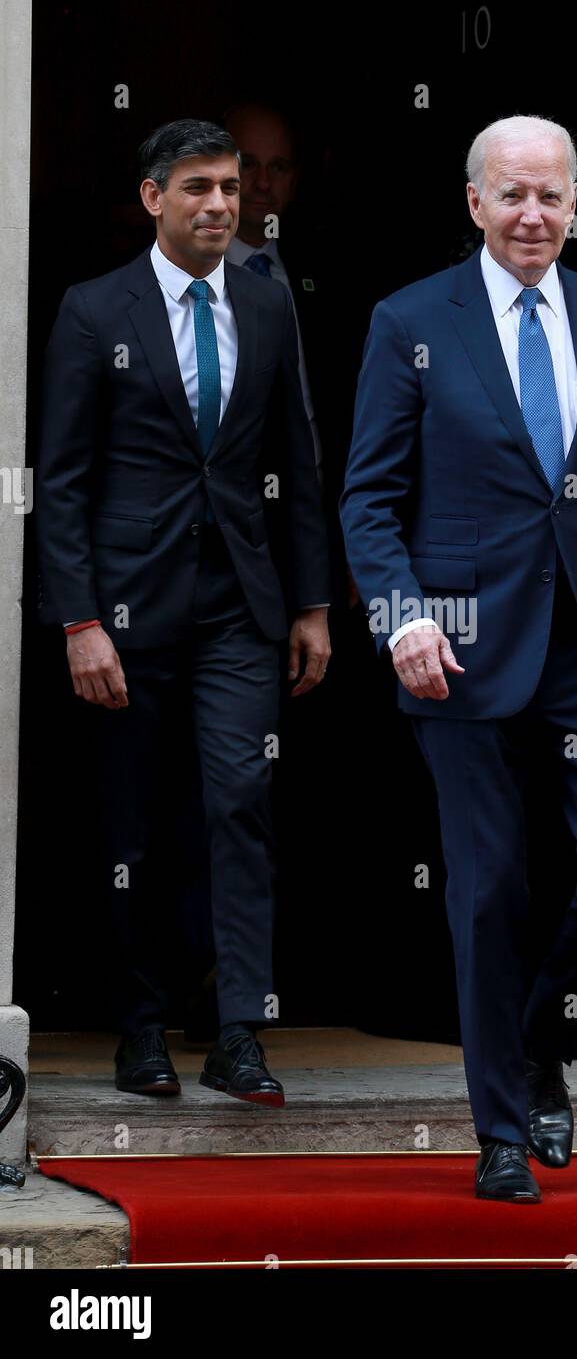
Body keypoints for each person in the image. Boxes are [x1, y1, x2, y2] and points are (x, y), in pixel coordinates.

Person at [340, 114, 577, 1202]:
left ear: (574, 202)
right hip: (455, 647)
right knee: (489, 891)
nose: (532, 214)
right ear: (474, 203)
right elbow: (368, 496)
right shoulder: (410, 321)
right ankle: (500, 1128)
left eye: (551, 196)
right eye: (512, 195)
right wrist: (399, 618)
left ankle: (536, 1027)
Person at [35, 118, 332, 1107]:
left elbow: (298, 455)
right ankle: (139, 1028)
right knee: (133, 824)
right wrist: (79, 619)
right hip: (125, 610)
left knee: (238, 803)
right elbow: (63, 480)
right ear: (154, 197)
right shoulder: (92, 310)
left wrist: (312, 603)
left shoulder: (267, 301)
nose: (218, 204)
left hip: (238, 607)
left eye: (231, 189)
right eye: (198, 186)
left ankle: (239, 1029)